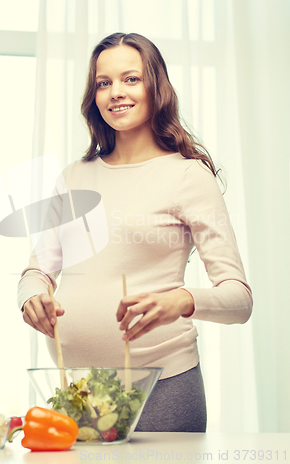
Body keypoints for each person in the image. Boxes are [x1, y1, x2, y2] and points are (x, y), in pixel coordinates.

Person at [17, 32, 253, 432]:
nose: (115, 93)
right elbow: (38, 269)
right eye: (103, 83)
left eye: (131, 78)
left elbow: (239, 299)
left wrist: (180, 300)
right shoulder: (75, 176)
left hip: (163, 387)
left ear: (154, 86)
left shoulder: (186, 175)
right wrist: (31, 296)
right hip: (78, 389)